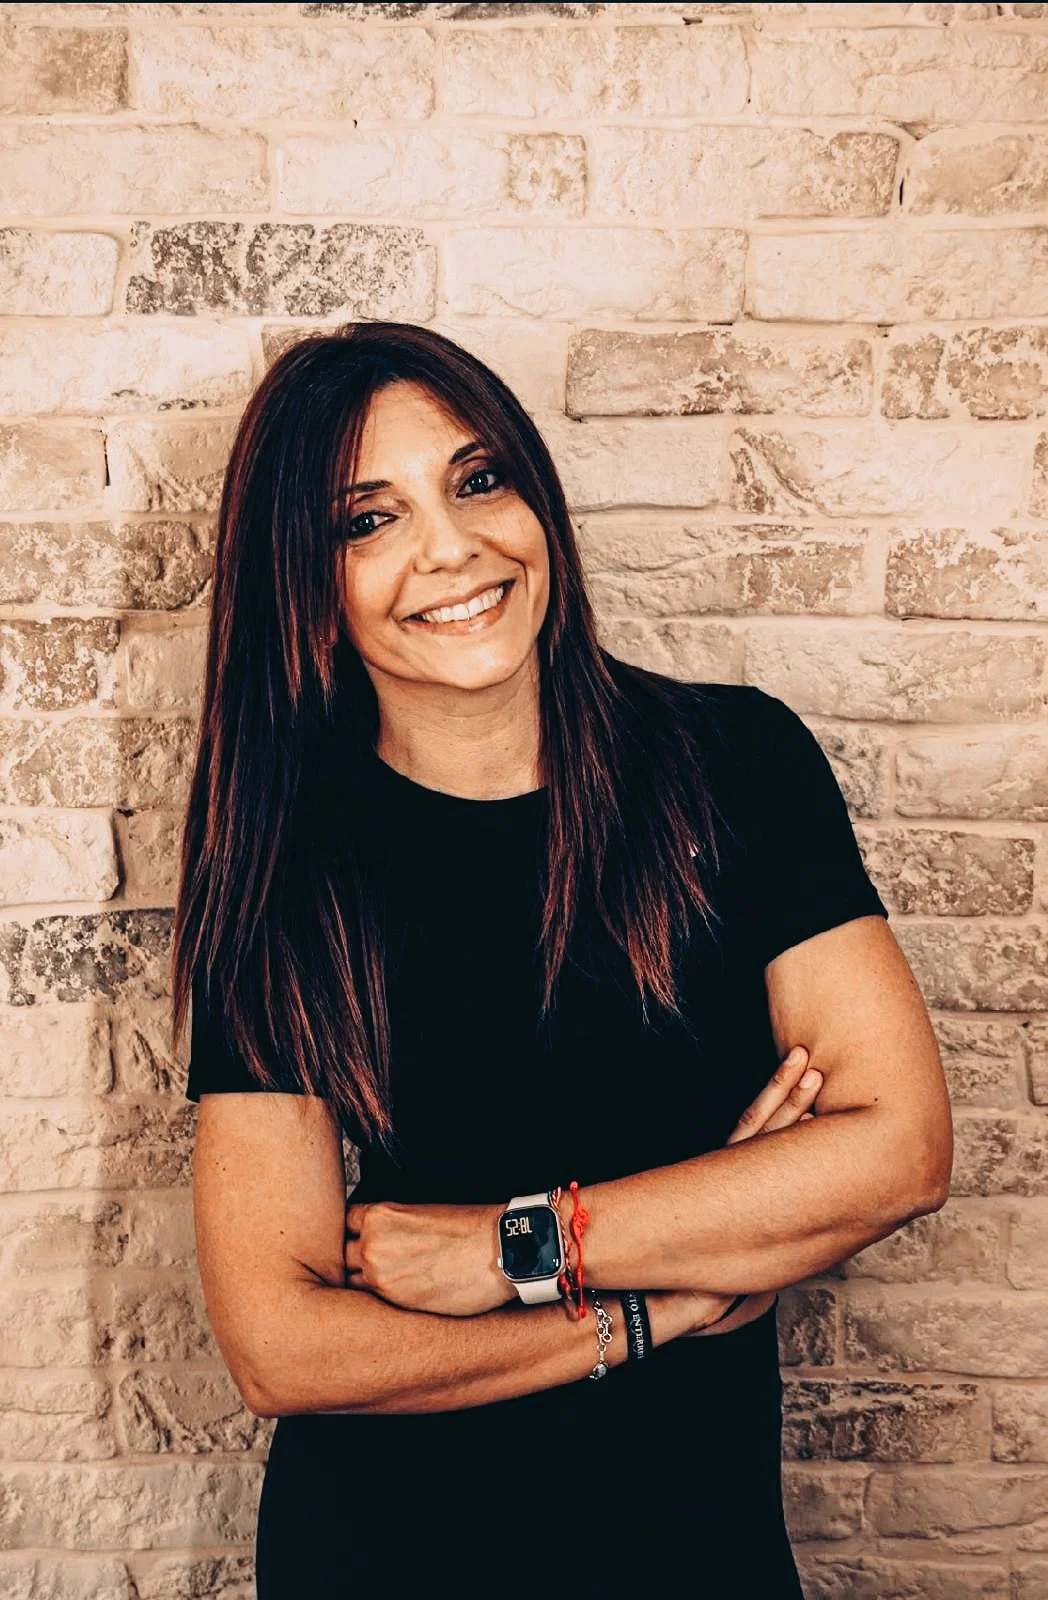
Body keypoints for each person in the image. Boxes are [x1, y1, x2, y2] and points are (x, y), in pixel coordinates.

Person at [172, 321, 953, 1598]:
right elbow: (282, 1347)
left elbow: (900, 1148)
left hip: (691, 1546)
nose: (451, 546)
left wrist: (513, 1247)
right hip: (389, 1549)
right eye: (365, 520)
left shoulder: (732, 766)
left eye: (478, 480)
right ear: (301, 581)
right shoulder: (286, 866)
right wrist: (663, 1300)